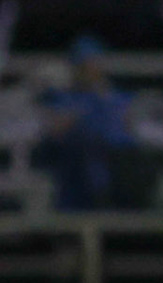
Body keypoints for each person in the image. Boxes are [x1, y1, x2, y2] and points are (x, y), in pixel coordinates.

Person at [34, 35, 139, 211]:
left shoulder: (117, 97)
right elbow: (54, 131)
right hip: (75, 173)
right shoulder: (62, 97)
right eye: (84, 65)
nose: (91, 69)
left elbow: (131, 130)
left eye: (94, 63)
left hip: (117, 167)